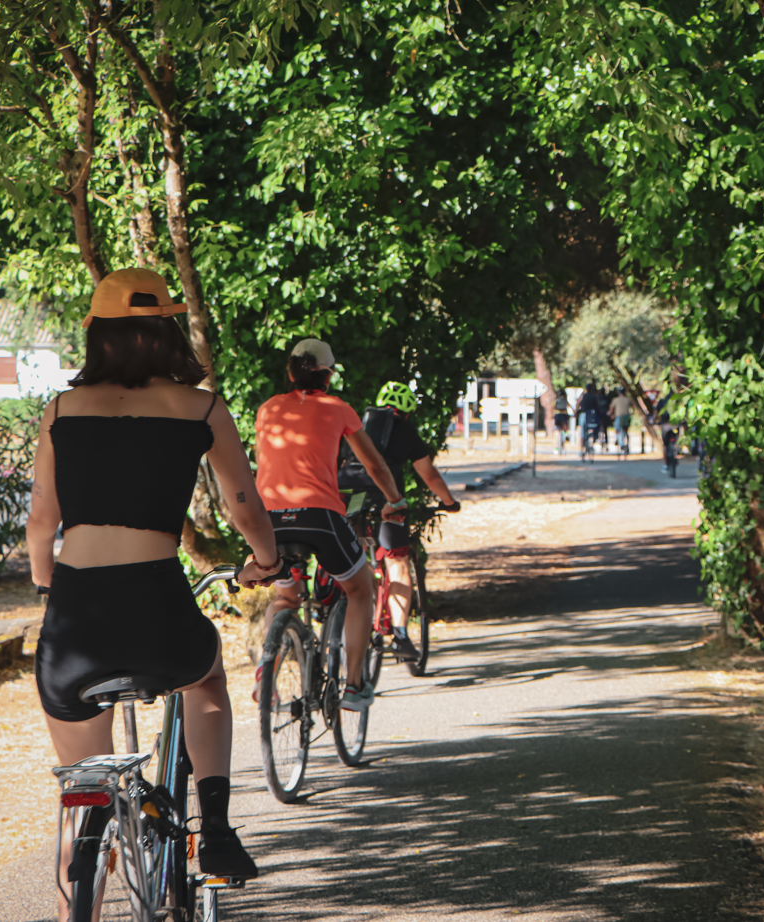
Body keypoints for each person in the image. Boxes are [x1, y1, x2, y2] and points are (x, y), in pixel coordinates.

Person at [26, 268, 278, 908]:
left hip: (74, 620)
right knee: (207, 680)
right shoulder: (200, 407)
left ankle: (75, 901)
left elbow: (41, 525)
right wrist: (264, 559)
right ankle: (215, 829)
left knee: (80, 798)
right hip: (157, 607)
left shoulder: (61, 409)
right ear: (167, 329)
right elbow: (244, 508)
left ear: (98, 335)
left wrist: (46, 584)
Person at [253, 339, 405, 712]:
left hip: (267, 521)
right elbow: (374, 466)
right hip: (318, 517)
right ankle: (354, 686)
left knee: (286, 596)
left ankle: (265, 674)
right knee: (360, 588)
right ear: (328, 376)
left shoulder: (268, 408)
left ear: (290, 373)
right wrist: (395, 502)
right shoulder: (338, 409)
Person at [350, 382, 461, 661]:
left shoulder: (357, 422)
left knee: (351, 554)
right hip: (388, 502)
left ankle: (333, 605)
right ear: (407, 412)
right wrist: (449, 502)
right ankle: (400, 635)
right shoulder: (404, 428)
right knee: (397, 561)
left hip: (352, 497)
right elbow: (429, 475)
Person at [609, 388, 633, 455]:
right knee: (626, 430)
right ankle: (626, 444)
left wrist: (610, 414)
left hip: (619, 417)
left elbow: (611, 409)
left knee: (617, 428)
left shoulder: (615, 400)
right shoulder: (628, 399)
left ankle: (617, 438)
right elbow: (632, 407)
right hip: (627, 417)